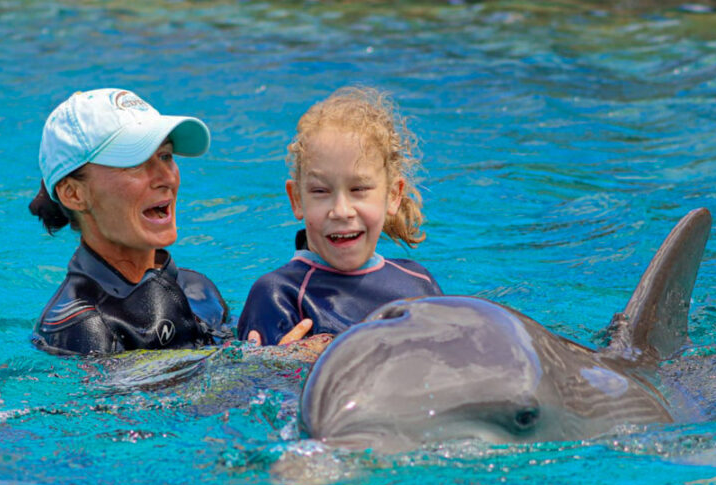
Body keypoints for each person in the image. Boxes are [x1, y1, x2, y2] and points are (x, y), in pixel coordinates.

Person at [29, 88, 312, 356]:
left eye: (165, 156)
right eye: (134, 163)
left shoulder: (198, 288)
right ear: (74, 194)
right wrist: (272, 367)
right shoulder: (80, 326)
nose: (166, 177)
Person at [237, 86, 442, 346]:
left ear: (393, 195)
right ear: (297, 199)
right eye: (320, 191)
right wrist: (286, 363)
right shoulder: (278, 295)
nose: (341, 211)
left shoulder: (419, 284)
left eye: (359, 189)